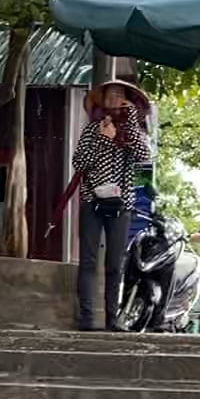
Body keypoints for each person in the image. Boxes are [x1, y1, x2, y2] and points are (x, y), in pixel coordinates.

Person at [70, 79, 152, 332]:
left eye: (120, 94)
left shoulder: (132, 131)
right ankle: (87, 318)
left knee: (115, 264)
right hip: (92, 202)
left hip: (122, 205)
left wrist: (127, 123)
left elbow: (144, 156)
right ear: (102, 99)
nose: (115, 98)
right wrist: (104, 139)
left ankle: (112, 319)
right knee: (88, 261)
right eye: (111, 94)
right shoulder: (92, 129)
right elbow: (79, 162)